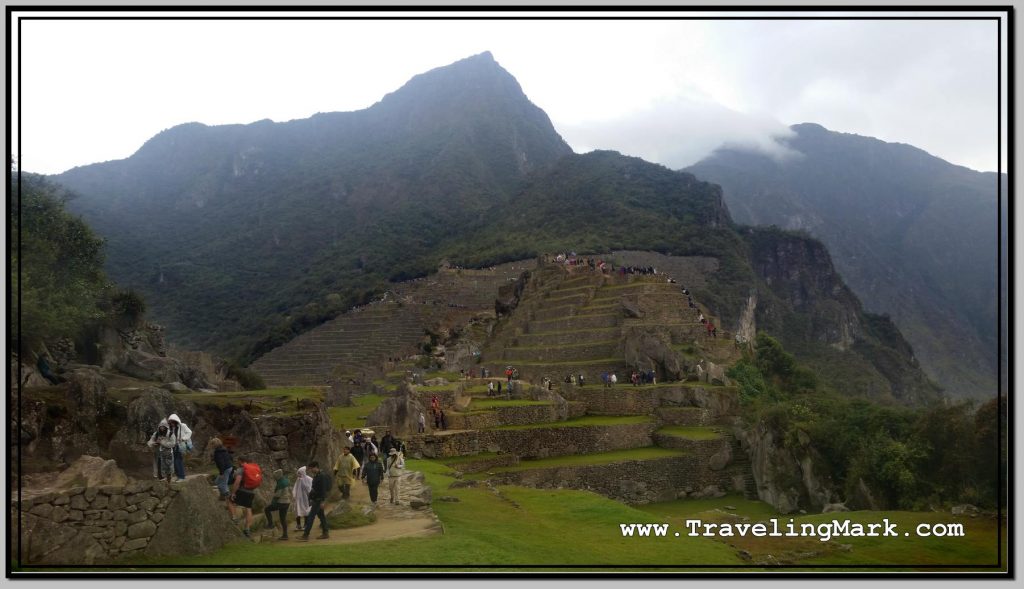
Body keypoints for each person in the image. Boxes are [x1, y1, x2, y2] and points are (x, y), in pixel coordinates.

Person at [230, 455, 262, 540]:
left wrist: (233, 492)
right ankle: (247, 529)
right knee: (248, 508)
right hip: (251, 491)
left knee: (230, 500)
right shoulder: (252, 468)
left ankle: (234, 518)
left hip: (242, 490)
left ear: (240, 461)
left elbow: (237, 482)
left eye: (238, 461)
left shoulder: (241, 469)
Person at [299, 461, 330, 541]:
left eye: (311, 468)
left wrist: (323, 501)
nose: (311, 470)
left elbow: (323, 489)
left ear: (316, 467)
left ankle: (305, 535)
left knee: (311, 517)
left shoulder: (321, 476)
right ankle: (325, 532)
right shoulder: (317, 476)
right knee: (321, 516)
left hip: (319, 500)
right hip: (316, 499)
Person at [264, 469, 291, 540]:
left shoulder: (281, 483)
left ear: (278, 476)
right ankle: (285, 535)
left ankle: (270, 524)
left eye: (275, 476)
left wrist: (272, 496)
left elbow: (278, 495)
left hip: (281, 502)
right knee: (283, 519)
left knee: (267, 509)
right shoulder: (286, 480)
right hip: (287, 502)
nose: (274, 478)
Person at [146, 419, 175, 483]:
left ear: (166, 427)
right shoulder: (156, 433)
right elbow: (150, 441)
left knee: (168, 467)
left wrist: (162, 443)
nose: (162, 428)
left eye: (163, 427)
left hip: (167, 453)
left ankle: (168, 480)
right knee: (158, 465)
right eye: (161, 427)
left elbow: (173, 443)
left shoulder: (170, 434)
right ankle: (161, 479)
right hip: (158, 453)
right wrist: (153, 443)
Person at [166, 414, 192, 482]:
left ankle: (181, 477)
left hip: (181, 446)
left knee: (178, 461)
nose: (171, 424)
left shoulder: (182, 426)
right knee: (174, 462)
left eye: (172, 422)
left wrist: (183, 438)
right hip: (174, 446)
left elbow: (189, 432)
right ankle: (179, 476)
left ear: (176, 421)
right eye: (170, 422)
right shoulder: (170, 428)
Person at [292, 465, 313, 532]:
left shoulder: (309, 479)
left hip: (306, 498)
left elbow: (309, 488)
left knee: (306, 511)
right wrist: (294, 495)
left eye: (299, 473)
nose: (298, 475)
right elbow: (295, 488)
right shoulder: (298, 480)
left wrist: (310, 497)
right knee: (297, 511)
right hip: (298, 498)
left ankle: (306, 525)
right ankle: (298, 525)